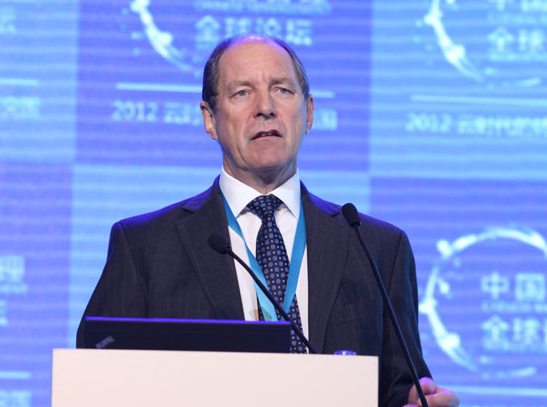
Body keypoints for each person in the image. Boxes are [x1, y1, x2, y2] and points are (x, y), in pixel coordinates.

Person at [77, 34, 459, 407]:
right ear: (210, 119)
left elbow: (401, 388)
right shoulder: (145, 247)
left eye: (282, 90)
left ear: (308, 113)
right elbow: (97, 381)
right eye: (242, 92)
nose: (265, 107)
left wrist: (418, 401)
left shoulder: (377, 247)